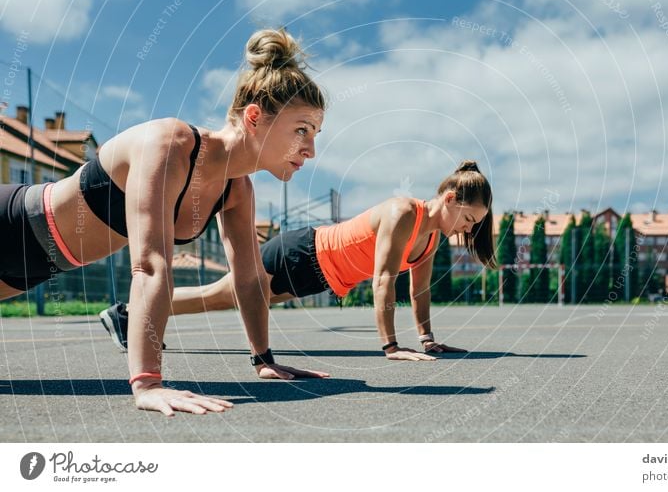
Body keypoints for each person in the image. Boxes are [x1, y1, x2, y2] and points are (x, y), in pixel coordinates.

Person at [0, 28, 329, 416]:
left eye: (315, 134)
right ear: (254, 117)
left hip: (33, 269)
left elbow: (249, 276)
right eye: (301, 130)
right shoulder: (172, 145)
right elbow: (151, 265)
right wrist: (148, 383)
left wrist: (264, 359)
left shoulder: (237, 191)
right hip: (12, 224)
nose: (310, 149)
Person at [100, 161, 496, 363]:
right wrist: (390, 346)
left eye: (472, 225)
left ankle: (131, 315)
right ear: (448, 199)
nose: (465, 229)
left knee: (222, 297)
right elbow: (383, 280)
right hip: (301, 254)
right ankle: (130, 313)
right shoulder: (403, 213)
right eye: (467, 218)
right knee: (224, 295)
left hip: (317, 275)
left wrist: (426, 339)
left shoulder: (429, 239)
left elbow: (418, 290)